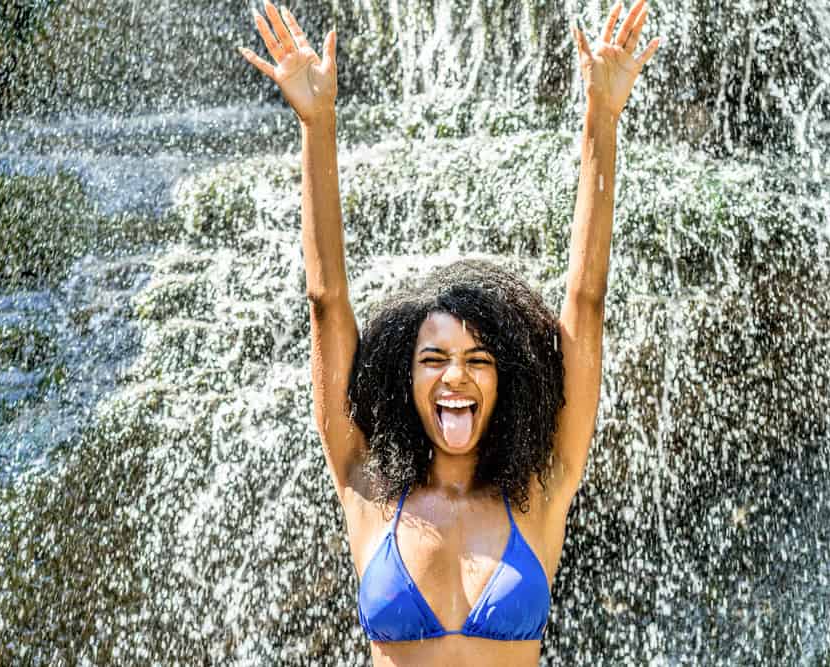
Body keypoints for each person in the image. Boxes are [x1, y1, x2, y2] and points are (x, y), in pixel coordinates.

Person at [240, 3, 659, 665]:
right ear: (406, 382)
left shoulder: (541, 491)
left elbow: (585, 298)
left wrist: (602, 120)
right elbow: (326, 299)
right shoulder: (366, 487)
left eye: (478, 359)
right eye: (433, 358)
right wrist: (317, 124)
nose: (455, 375)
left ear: (504, 380)